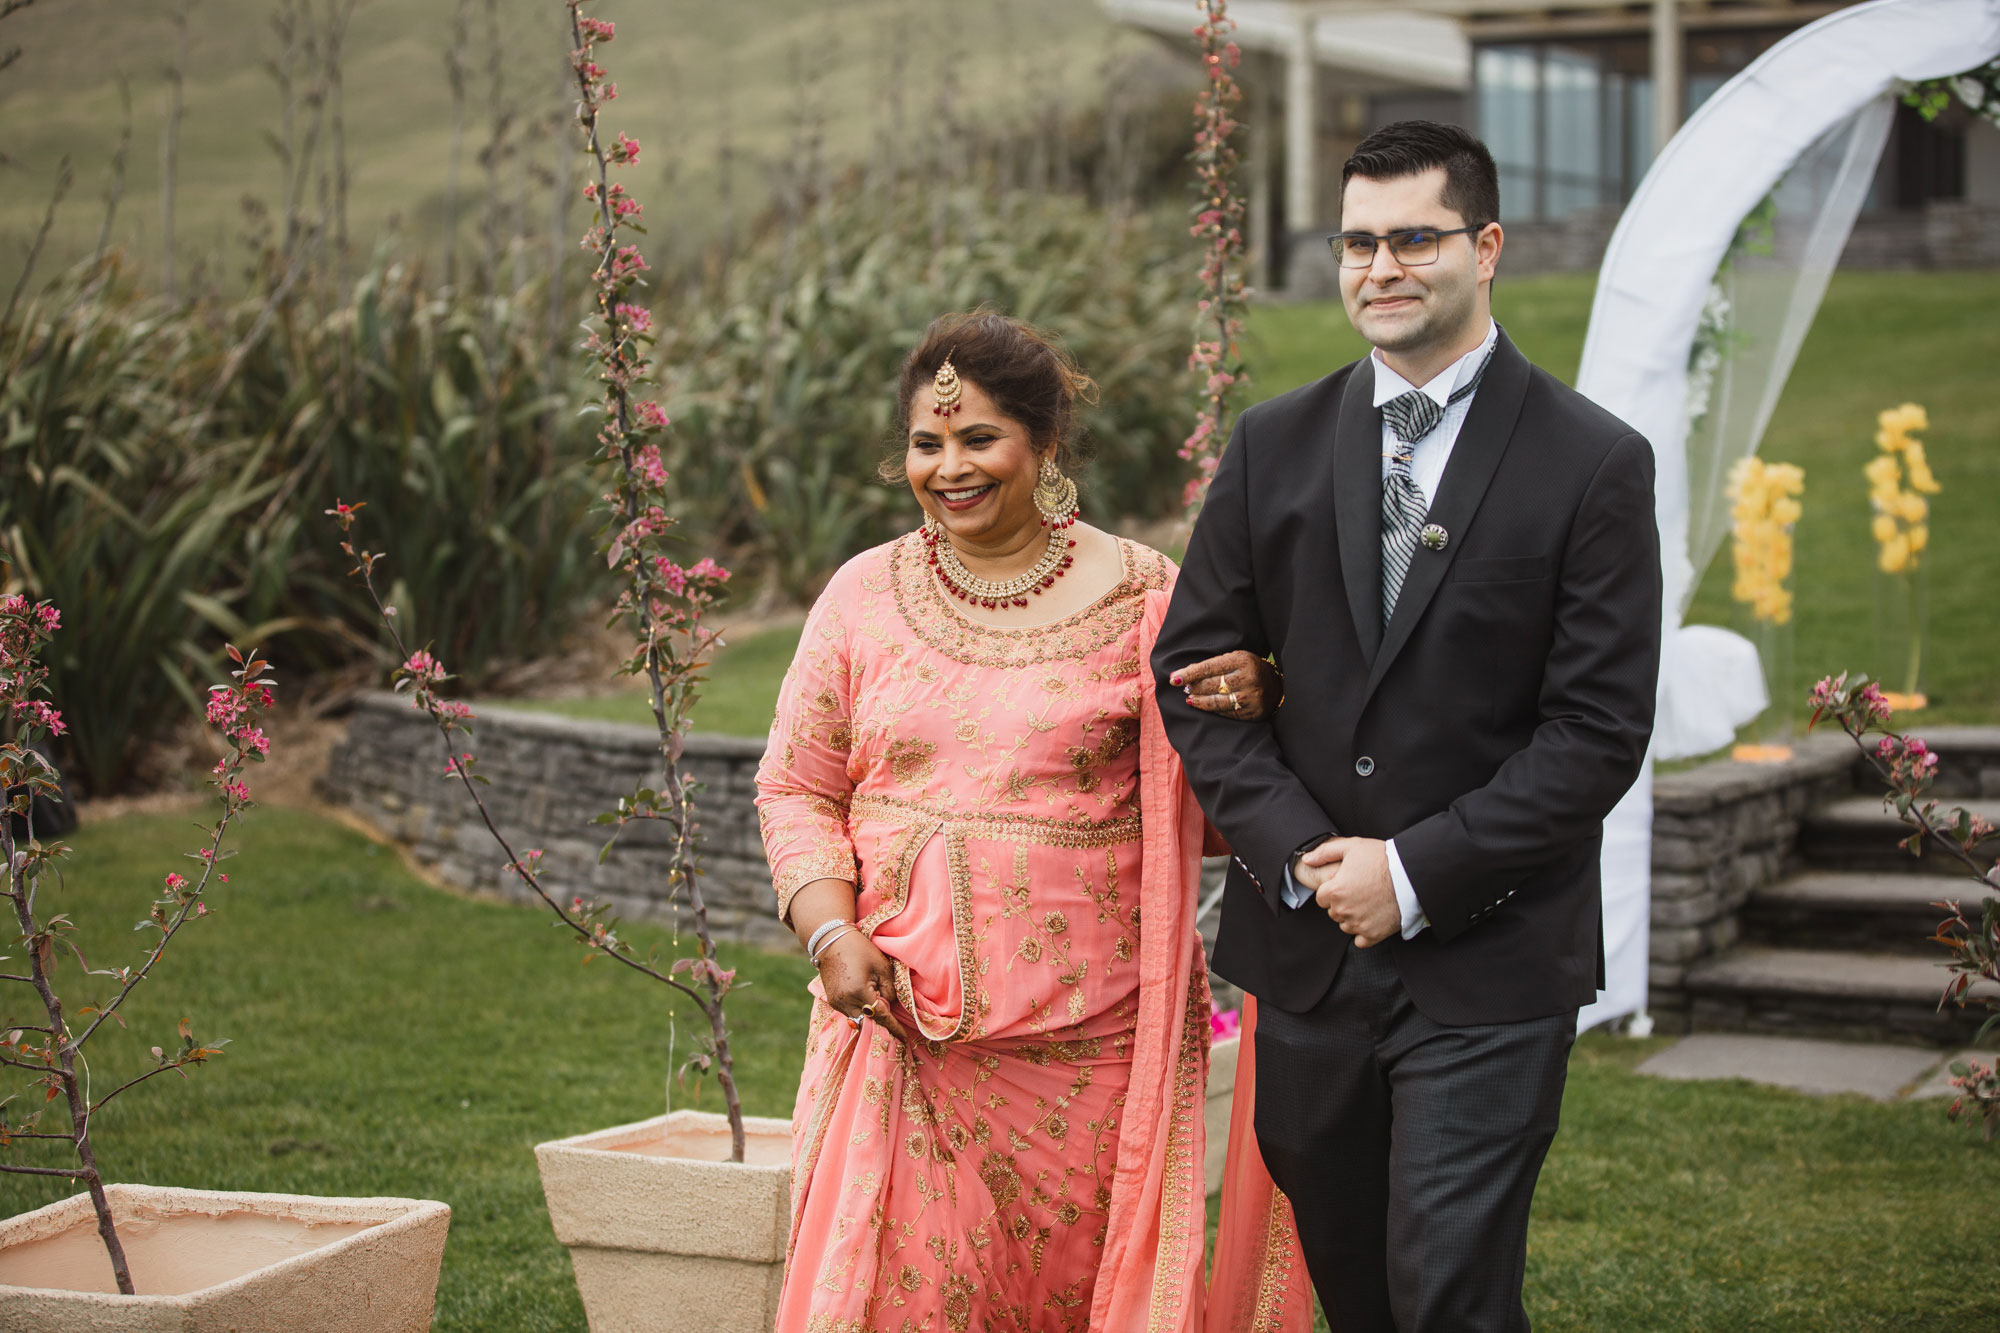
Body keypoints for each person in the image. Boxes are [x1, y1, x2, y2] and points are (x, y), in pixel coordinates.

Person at [1153, 121, 1664, 1332]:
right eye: (1356, 243)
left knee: (1447, 1291)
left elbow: (1595, 729)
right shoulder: (1269, 444)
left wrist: (1414, 871)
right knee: (1359, 1291)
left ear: (1484, 247)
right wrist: (1300, 854)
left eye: (1413, 239)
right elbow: (1192, 671)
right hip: (1310, 962)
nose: (1378, 267)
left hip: (1489, 960)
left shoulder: (1591, 463)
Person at [755, 310, 1277, 1333]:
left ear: (1044, 446)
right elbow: (796, 787)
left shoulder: (1142, 597)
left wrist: (1263, 701)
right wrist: (829, 929)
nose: (948, 466)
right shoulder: (861, 595)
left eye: (977, 438)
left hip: (1093, 1052)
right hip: (902, 1029)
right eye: (926, 442)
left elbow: (1209, 816)